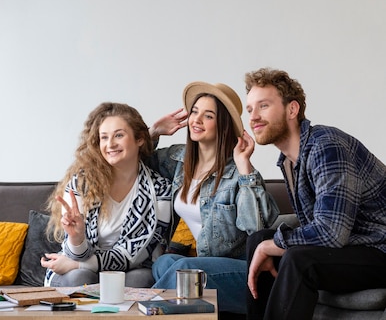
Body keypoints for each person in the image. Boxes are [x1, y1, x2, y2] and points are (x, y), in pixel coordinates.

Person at [244, 68, 386, 320]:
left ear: (292, 110)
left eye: (263, 106)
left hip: (379, 249)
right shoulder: (288, 161)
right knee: (258, 239)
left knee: (299, 259)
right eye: (250, 109)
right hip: (354, 247)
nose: (254, 117)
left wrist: (274, 244)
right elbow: (318, 227)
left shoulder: (326, 145)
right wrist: (267, 243)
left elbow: (331, 233)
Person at [147, 82, 280, 315]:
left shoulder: (239, 173)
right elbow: (133, 164)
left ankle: (138, 313)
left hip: (244, 271)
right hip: (203, 268)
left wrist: (244, 166)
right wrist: (154, 132)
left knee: (186, 269)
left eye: (208, 116)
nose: (196, 120)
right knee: (164, 263)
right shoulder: (178, 160)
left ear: (224, 126)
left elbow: (256, 227)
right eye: (194, 112)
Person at [41, 102, 173, 288]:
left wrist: (79, 264)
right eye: (104, 137)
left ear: (140, 139)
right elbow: (74, 255)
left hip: (128, 269)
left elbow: (135, 255)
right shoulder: (82, 183)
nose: (110, 144)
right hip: (76, 270)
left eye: (119, 135)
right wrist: (76, 238)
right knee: (81, 277)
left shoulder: (160, 191)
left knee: (141, 279)